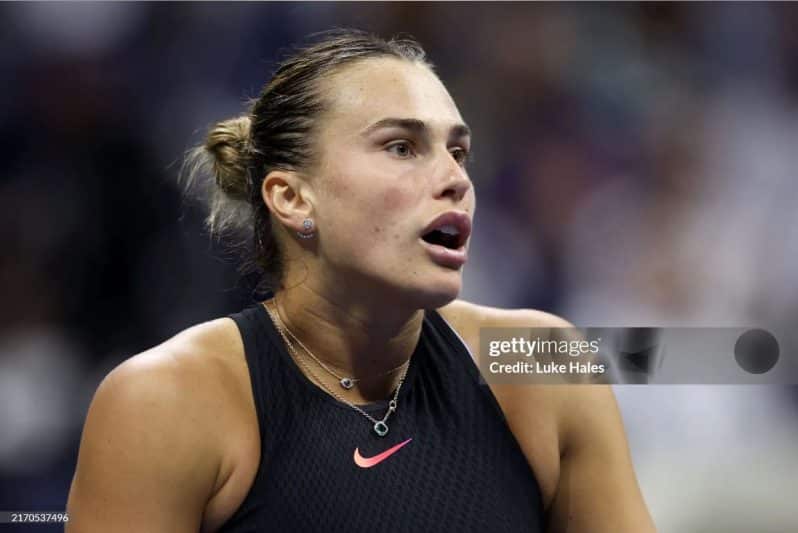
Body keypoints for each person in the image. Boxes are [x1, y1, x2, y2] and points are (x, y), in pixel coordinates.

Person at [65, 29, 655, 532]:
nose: (455, 180)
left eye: (459, 152)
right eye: (402, 147)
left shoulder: (546, 365)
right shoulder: (164, 401)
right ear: (293, 197)